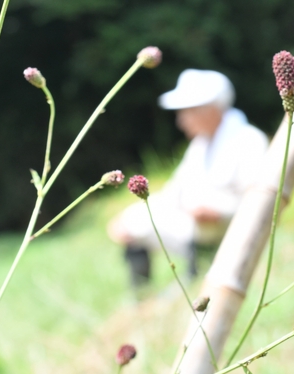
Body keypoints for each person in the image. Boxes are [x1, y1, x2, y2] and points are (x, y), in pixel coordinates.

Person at [108, 69, 269, 285]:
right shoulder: (200, 146)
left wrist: (217, 212)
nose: (181, 121)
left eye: (187, 111)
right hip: (193, 227)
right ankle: (142, 293)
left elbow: (257, 202)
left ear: (210, 110)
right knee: (131, 224)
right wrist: (129, 217)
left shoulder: (250, 140)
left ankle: (198, 272)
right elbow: (174, 193)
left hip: (228, 236)